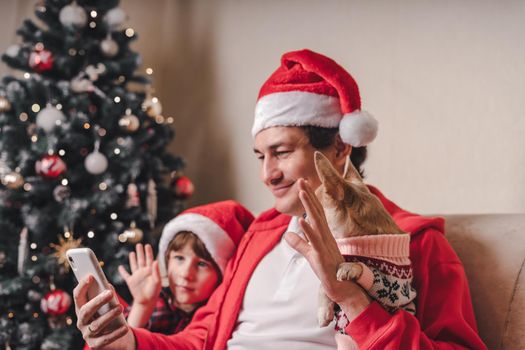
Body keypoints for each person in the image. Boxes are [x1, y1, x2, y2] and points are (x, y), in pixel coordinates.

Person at [73, 49, 487, 349]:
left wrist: (350, 298)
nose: (267, 174)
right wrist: (124, 341)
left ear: (341, 148)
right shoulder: (260, 234)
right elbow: (200, 339)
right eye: (260, 155)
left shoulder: (413, 243)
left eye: (283, 152)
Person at [117, 200, 254, 334]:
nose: (185, 274)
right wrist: (142, 305)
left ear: (222, 273)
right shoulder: (157, 301)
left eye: (201, 264)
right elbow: (121, 342)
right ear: (167, 259)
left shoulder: (216, 316)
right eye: (179, 258)